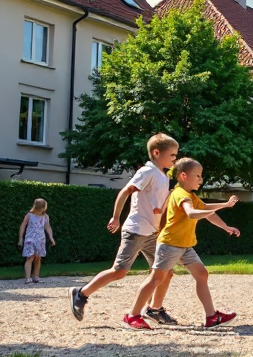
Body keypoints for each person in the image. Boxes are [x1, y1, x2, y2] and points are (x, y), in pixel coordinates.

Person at [68, 133, 177, 323]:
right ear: (157, 153)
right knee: (119, 271)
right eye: (172, 155)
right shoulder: (148, 171)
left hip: (151, 233)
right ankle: (81, 294)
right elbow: (126, 191)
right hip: (135, 230)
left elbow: (156, 206)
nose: (175, 158)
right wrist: (116, 217)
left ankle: (154, 309)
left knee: (165, 272)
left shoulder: (163, 175)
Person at [123, 157, 240, 330]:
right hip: (170, 245)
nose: (201, 179)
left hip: (184, 246)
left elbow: (206, 210)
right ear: (184, 176)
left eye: (201, 175)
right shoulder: (181, 195)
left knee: (201, 274)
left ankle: (212, 317)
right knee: (156, 279)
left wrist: (225, 224)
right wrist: (221, 207)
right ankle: (132, 316)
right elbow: (192, 213)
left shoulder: (190, 195)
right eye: (198, 175)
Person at [18, 198, 55, 284]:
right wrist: (21, 238)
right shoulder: (29, 215)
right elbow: (23, 226)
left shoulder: (45, 216)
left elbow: (47, 226)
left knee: (38, 258)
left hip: (40, 239)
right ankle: (28, 278)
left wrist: (51, 237)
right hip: (30, 239)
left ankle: (36, 277)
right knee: (30, 257)